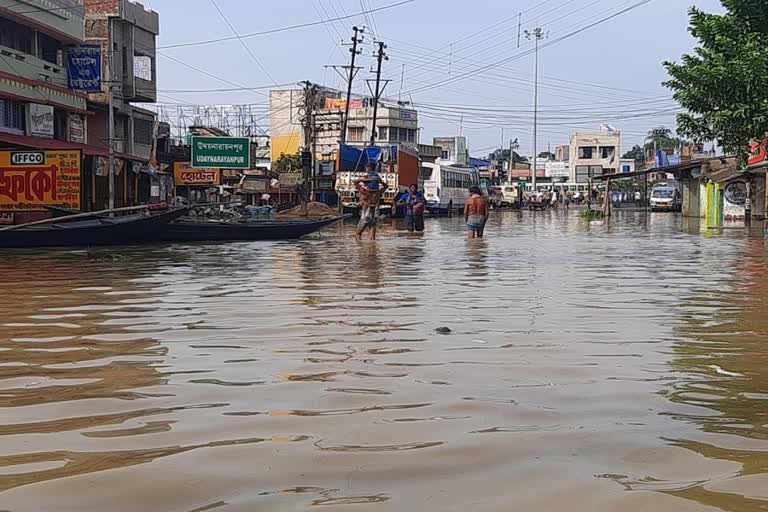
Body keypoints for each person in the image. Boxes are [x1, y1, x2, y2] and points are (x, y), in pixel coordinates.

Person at [354, 174, 388, 241]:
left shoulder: (365, 192)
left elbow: (355, 181)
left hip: (365, 215)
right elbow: (386, 186)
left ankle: (360, 248)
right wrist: (380, 181)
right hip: (374, 214)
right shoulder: (378, 193)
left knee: (358, 234)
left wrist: (368, 180)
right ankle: (372, 248)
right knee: (372, 237)